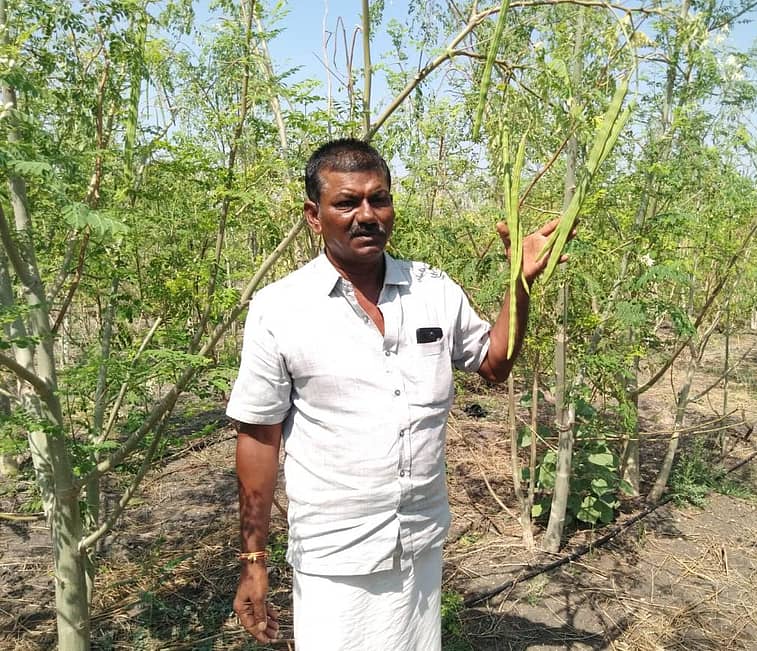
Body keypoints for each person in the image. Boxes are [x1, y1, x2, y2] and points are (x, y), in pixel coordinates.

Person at [226, 138, 570, 649]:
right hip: (334, 553)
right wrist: (254, 561)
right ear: (314, 216)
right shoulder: (280, 308)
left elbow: (494, 364)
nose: (367, 214)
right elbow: (258, 435)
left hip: (419, 541)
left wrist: (519, 282)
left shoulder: (433, 290)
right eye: (346, 202)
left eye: (378, 199)